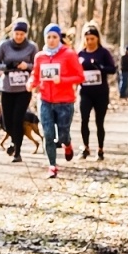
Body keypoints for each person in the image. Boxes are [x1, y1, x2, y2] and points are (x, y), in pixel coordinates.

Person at [29, 24, 85, 178]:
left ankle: (67, 144)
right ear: (45, 38)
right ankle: (52, 165)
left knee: (62, 135)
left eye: (54, 37)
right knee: (47, 133)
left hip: (65, 102)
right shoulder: (40, 56)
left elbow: (80, 77)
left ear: (59, 38)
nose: (51, 40)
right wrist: (31, 83)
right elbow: (35, 74)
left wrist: (62, 80)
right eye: (48, 37)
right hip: (45, 100)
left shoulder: (69, 54)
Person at [0, 20, 38, 160]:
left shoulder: (32, 47)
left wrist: (27, 66)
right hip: (7, 88)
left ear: (26, 34)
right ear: (12, 33)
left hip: (24, 90)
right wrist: (6, 66)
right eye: (16, 33)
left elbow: (37, 65)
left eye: (22, 34)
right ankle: (13, 140)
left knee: (18, 119)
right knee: (7, 121)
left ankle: (17, 151)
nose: (19, 36)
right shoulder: (4, 46)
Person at [78, 26, 115, 160]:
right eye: (87, 39)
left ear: (97, 38)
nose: (90, 41)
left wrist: (101, 67)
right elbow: (75, 70)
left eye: (92, 38)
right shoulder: (81, 54)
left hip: (101, 93)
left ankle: (100, 149)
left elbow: (112, 69)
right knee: (84, 120)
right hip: (85, 92)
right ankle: (85, 147)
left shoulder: (103, 53)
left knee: (99, 122)